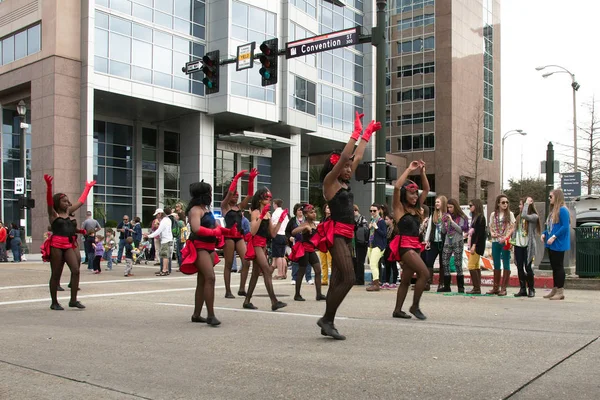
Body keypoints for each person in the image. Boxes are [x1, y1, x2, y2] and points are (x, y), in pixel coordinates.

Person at [314, 111, 381, 339]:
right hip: (336, 234)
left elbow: (356, 157)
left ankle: (327, 321)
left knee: (337, 280)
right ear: (336, 167)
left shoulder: (344, 182)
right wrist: (355, 133)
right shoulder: (330, 183)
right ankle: (327, 319)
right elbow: (345, 157)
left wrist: (367, 135)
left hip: (347, 234)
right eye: (346, 167)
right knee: (350, 277)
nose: (350, 169)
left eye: (351, 167)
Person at [180, 181, 235, 326]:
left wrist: (229, 231)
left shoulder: (206, 209)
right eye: (209, 192)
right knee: (210, 278)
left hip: (209, 247)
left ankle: (197, 314)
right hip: (199, 247)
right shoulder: (195, 210)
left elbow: (217, 227)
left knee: (203, 281)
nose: (211, 195)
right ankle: (210, 315)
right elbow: (196, 228)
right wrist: (214, 231)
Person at [42, 174, 94, 310]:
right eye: (64, 201)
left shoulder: (69, 211)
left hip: (69, 244)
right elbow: (48, 201)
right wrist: (49, 187)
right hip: (56, 245)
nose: (67, 203)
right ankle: (54, 302)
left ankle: (73, 300)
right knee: (56, 274)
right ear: (58, 203)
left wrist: (87, 188)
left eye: (67, 201)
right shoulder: (53, 214)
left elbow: (81, 201)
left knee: (76, 270)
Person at [388, 161, 430, 320]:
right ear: (405, 194)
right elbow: (397, 187)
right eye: (411, 193)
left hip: (415, 246)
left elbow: (426, 189)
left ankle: (397, 310)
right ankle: (414, 306)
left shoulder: (417, 207)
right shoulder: (399, 208)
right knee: (424, 274)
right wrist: (409, 169)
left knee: (405, 279)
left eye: (415, 194)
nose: (414, 196)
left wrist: (422, 172)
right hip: (405, 247)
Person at [242, 187, 288, 311]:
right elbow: (252, 231)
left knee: (256, 274)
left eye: (269, 197)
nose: (268, 198)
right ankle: (274, 301)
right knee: (267, 271)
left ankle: (247, 301)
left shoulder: (268, 213)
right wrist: (261, 215)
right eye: (266, 197)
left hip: (263, 245)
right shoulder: (255, 212)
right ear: (260, 198)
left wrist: (280, 221)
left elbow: (272, 234)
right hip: (256, 243)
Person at [220, 168, 258, 298]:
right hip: (229, 237)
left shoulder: (239, 206)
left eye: (237, 195)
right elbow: (230, 192)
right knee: (229, 264)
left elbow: (250, 195)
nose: (236, 196)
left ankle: (242, 288)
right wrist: (236, 178)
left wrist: (251, 180)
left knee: (246, 261)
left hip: (240, 236)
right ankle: (228, 291)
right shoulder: (224, 206)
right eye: (234, 195)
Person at [289, 203, 327, 301]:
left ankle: (319, 294)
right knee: (301, 272)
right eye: (311, 212)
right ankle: (297, 294)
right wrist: (304, 228)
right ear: (306, 215)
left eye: (314, 212)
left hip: (311, 250)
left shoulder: (314, 224)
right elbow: (293, 232)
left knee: (318, 271)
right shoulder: (305, 224)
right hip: (304, 250)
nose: (314, 214)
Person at [542, 189, 570, 300]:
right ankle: (555, 288)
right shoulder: (553, 210)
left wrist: (554, 236)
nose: (549, 199)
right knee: (554, 266)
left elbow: (565, 226)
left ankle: (560, 290)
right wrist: (544, 234)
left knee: (558, 266)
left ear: (557, 197)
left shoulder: (563, 210)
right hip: (551, 242)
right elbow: (550, 226)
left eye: (551, 197)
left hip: (558, 242)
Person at [513, 197, 541, 297]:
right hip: (519, 245)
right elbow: (515, 230)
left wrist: (526, 204)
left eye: (521, 204)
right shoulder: (518, 217)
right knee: (519, 267)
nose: (520, 206)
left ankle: (531, 289)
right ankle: (522, 288)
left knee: (528, 267)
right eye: (521, 205)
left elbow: (525, 215)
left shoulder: (534, 216)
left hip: (528, 246)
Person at [488, 194, 516, 296]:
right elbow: (490, 226)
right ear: (498, 203)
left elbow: (512, 227)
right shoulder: (493, 215)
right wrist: (492, 233)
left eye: (507, 202)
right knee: (496, 263)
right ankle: (495, 287)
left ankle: (503, 288)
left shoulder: (510, 214)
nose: (505, 204)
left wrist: (506, 237)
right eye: (503, 202)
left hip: (505, 241)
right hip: (496, 240)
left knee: (506, 262)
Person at [440, 198, 469, 293]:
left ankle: (461, 287)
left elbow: (461, 230)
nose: (449, 209)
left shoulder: (461, 217)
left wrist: (451, 221)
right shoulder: (446, 216)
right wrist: (443, 222)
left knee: (457, 263)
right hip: (448, 241)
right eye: (448, 207)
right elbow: (443, 231)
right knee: (445, 262)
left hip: (458, 241)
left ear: (455, 207)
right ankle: (447, 286)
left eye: (451, 207)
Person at [286, 203, 313, 285]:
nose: (300, 211)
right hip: (296, 243)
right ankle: (294, 277)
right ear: (295, 211)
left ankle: (308, 278)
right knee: (295, 261)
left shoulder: (306, 219)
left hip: (306, 243)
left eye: (301, 210)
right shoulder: (292, 220)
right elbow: (287, 231)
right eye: (299, 210)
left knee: (308, 260)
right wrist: (289, 237)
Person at [424, 196, 447, 291]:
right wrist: (426, 240)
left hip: (443, 242)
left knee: (443, 263)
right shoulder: (433, 214)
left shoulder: (446, 215)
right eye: (436, 202)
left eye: (438, 202)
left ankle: (441, 283)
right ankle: (427, 282)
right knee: (429, 261)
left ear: (443, 203)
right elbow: (429, 228)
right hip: (433, 242)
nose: (436, 204)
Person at [466, 199, 486, 294]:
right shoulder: (475, 217)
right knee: (476, 265)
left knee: (471, 265)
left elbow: (479, 233)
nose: (469, 207)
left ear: (476, 206)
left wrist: (474, 245)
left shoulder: (480, 217)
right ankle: (477, 287)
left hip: (477, 244)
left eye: (471, 205)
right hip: (475, 244)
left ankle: (476, 288)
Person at [146, 208, 173, 276]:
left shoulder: (164, 221)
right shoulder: (168, 220)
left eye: (157, 215)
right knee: (166, 256)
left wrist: (149, 236)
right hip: (168, 239)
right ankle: (166, 269)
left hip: (165, 240)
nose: (156, 217)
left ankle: (164, 270)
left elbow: (158, 231)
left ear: (160, 214)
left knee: (164, 256)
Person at [271, 198, 290, 280]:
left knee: (278, 256)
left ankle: (279, 273)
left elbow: (274, 225)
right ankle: (284, 273)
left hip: (278, 234)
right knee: (282, 256)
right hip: (284, 235)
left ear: (275, 204)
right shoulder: (284, 213)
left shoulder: (275, 213)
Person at [353, 204, 369, 285]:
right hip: (354, 243)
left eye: (355, 211)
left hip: (361, 243)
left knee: (360, 261)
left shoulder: (362, 219)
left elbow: (365, 230)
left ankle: (360, 279)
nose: (354, 213)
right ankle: (356, 278)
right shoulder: (352, 219)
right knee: (354, 261)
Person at [382, 213, 398, 289]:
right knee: (387, 264)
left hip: (393, 248)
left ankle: (394, 282)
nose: (385, 221)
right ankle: (387, 281)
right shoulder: (387, 228)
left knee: (393, 265)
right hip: (387, 248)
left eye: (387, 219)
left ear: (391, 220)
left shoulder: (395, 229)